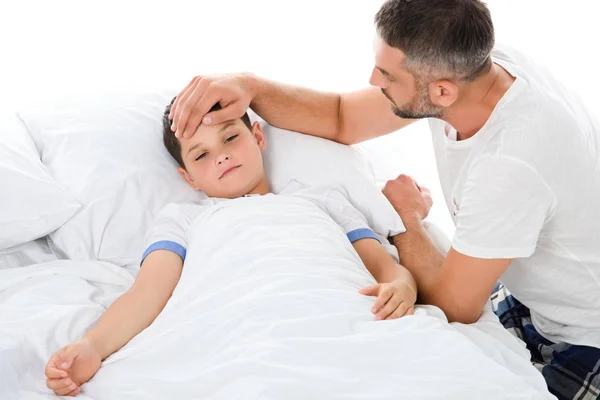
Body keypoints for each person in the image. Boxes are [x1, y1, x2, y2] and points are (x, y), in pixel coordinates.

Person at [167, 1, 600, 399]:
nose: (374, 82)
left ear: (442, 93)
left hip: (586, 335)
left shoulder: (511, 162)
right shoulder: (477, 64)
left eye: (388, 76)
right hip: (534, 296)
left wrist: (406, 217)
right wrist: (249, 85)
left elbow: (455, 306)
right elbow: (342, 116)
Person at [43, 99, 417, 397]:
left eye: (229, 138)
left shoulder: (322, 199)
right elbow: (148, 293)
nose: (220, 155)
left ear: (257, 136)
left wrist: (402, 286)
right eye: (201, 155)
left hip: (331, 309)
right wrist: (93, 346)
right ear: (188, 177)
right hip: (236, 319)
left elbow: (383, 267)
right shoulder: (183, 219)